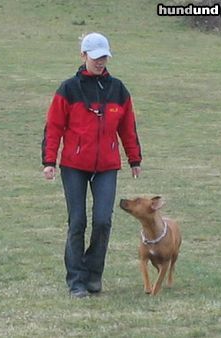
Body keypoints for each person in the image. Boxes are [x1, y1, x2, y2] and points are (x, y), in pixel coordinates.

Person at [41, 32, 142, 297]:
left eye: (104, 57)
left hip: (107, 166)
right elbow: (53, 126)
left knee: (102, 221)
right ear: (83, 56)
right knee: (77, 222)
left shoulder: (118, 89)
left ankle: (93, 275)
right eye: (96, 57)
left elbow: (127, 127)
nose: (101, 62)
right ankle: (75, 280)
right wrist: (49, 161)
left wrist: (134, 159)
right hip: (74, 166)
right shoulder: (68, 89)